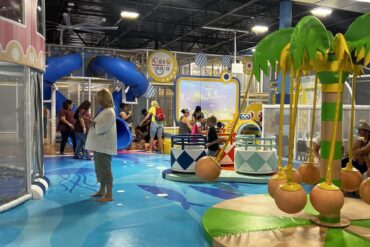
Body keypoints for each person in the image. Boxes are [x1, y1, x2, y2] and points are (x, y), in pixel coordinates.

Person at [85, 89, 117, 202]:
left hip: (104, 146)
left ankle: (109, 195)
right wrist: (92, 122)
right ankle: (102, 190)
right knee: (100, 168)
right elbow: (100, 125)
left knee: (105, 169)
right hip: (100, 145)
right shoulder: (105, 111)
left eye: (99, 98)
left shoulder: (109, 111)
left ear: (104, 98)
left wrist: (92, 123)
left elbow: (103, 128)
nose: (98, 100)